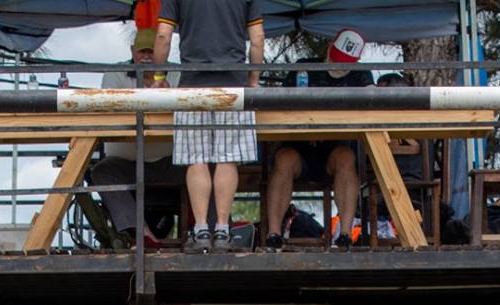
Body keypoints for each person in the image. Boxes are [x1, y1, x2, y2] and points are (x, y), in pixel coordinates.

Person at [154, 0, 264, 252]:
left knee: (197, 158)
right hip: (234, 86)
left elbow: (162, 35)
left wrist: (159, 77)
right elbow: (257, 39)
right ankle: (223, 231)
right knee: (228, 159)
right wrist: (253, 79)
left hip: (192, 84)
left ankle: (201, 229)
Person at [261, 29, 370, 251]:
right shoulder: (303, 67)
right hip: (299, 148)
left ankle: (346, 234)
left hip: (335, 150)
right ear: (330, 47)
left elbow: (370, 103)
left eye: (346, 62)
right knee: (283, 159)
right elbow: (282, 105)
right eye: (337, 58)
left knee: (347, 158)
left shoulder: (361, 75)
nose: (340, 66)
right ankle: (274, 233)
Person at [89, 29, 186, 249]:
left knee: (203, 168)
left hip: (169, 160)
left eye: (152, 51)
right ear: (132, 52)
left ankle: (208, 232)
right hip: (126, 164)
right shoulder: (116, 74)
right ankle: (141, 233)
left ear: (163, 53)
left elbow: (186, 111)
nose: (147, 56)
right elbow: (110, 107)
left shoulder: (176, 74)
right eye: (142, 51)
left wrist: (167, 94)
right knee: (101, 171)